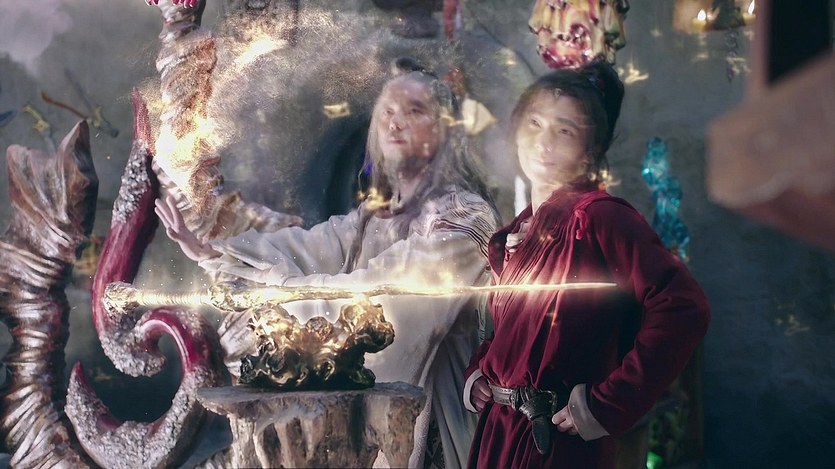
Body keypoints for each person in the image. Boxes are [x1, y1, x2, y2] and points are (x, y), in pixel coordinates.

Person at [155, 57, 499, 469]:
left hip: (439, 422)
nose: (396, 122)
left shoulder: (464, 216)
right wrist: (219, 253)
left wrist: (276, 284)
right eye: (387, 111)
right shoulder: (372, 217)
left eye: (414, 111)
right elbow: (307, 248)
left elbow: (389, 304)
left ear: (445, 128)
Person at [461, 61, 711, 468]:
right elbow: (513, 336)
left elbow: (684, 307)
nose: (544, 142)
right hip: (498, 435)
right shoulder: (518, 232)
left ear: (590, 151)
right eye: (535, 123)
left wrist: (607, 403)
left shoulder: (598, 218)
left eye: (565, 131)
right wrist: (479, 373)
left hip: (557, 443)